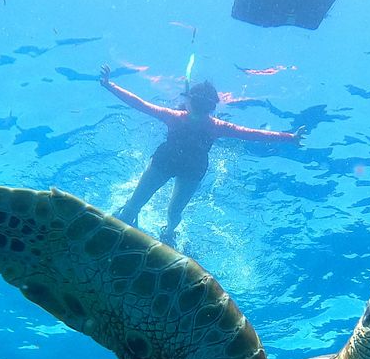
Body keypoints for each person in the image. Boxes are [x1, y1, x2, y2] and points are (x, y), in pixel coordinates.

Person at [100, 64, 304, 244]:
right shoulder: (208, 124)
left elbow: (140, 104)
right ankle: (168, 233)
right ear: (210, 106)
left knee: (146, 207)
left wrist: (110, 85)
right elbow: (253, 135)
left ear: (191, 102)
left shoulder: (182, 119)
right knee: (168, 211)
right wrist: (289, 137)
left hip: (179, 165)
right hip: (188, 167)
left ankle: (163, 231)